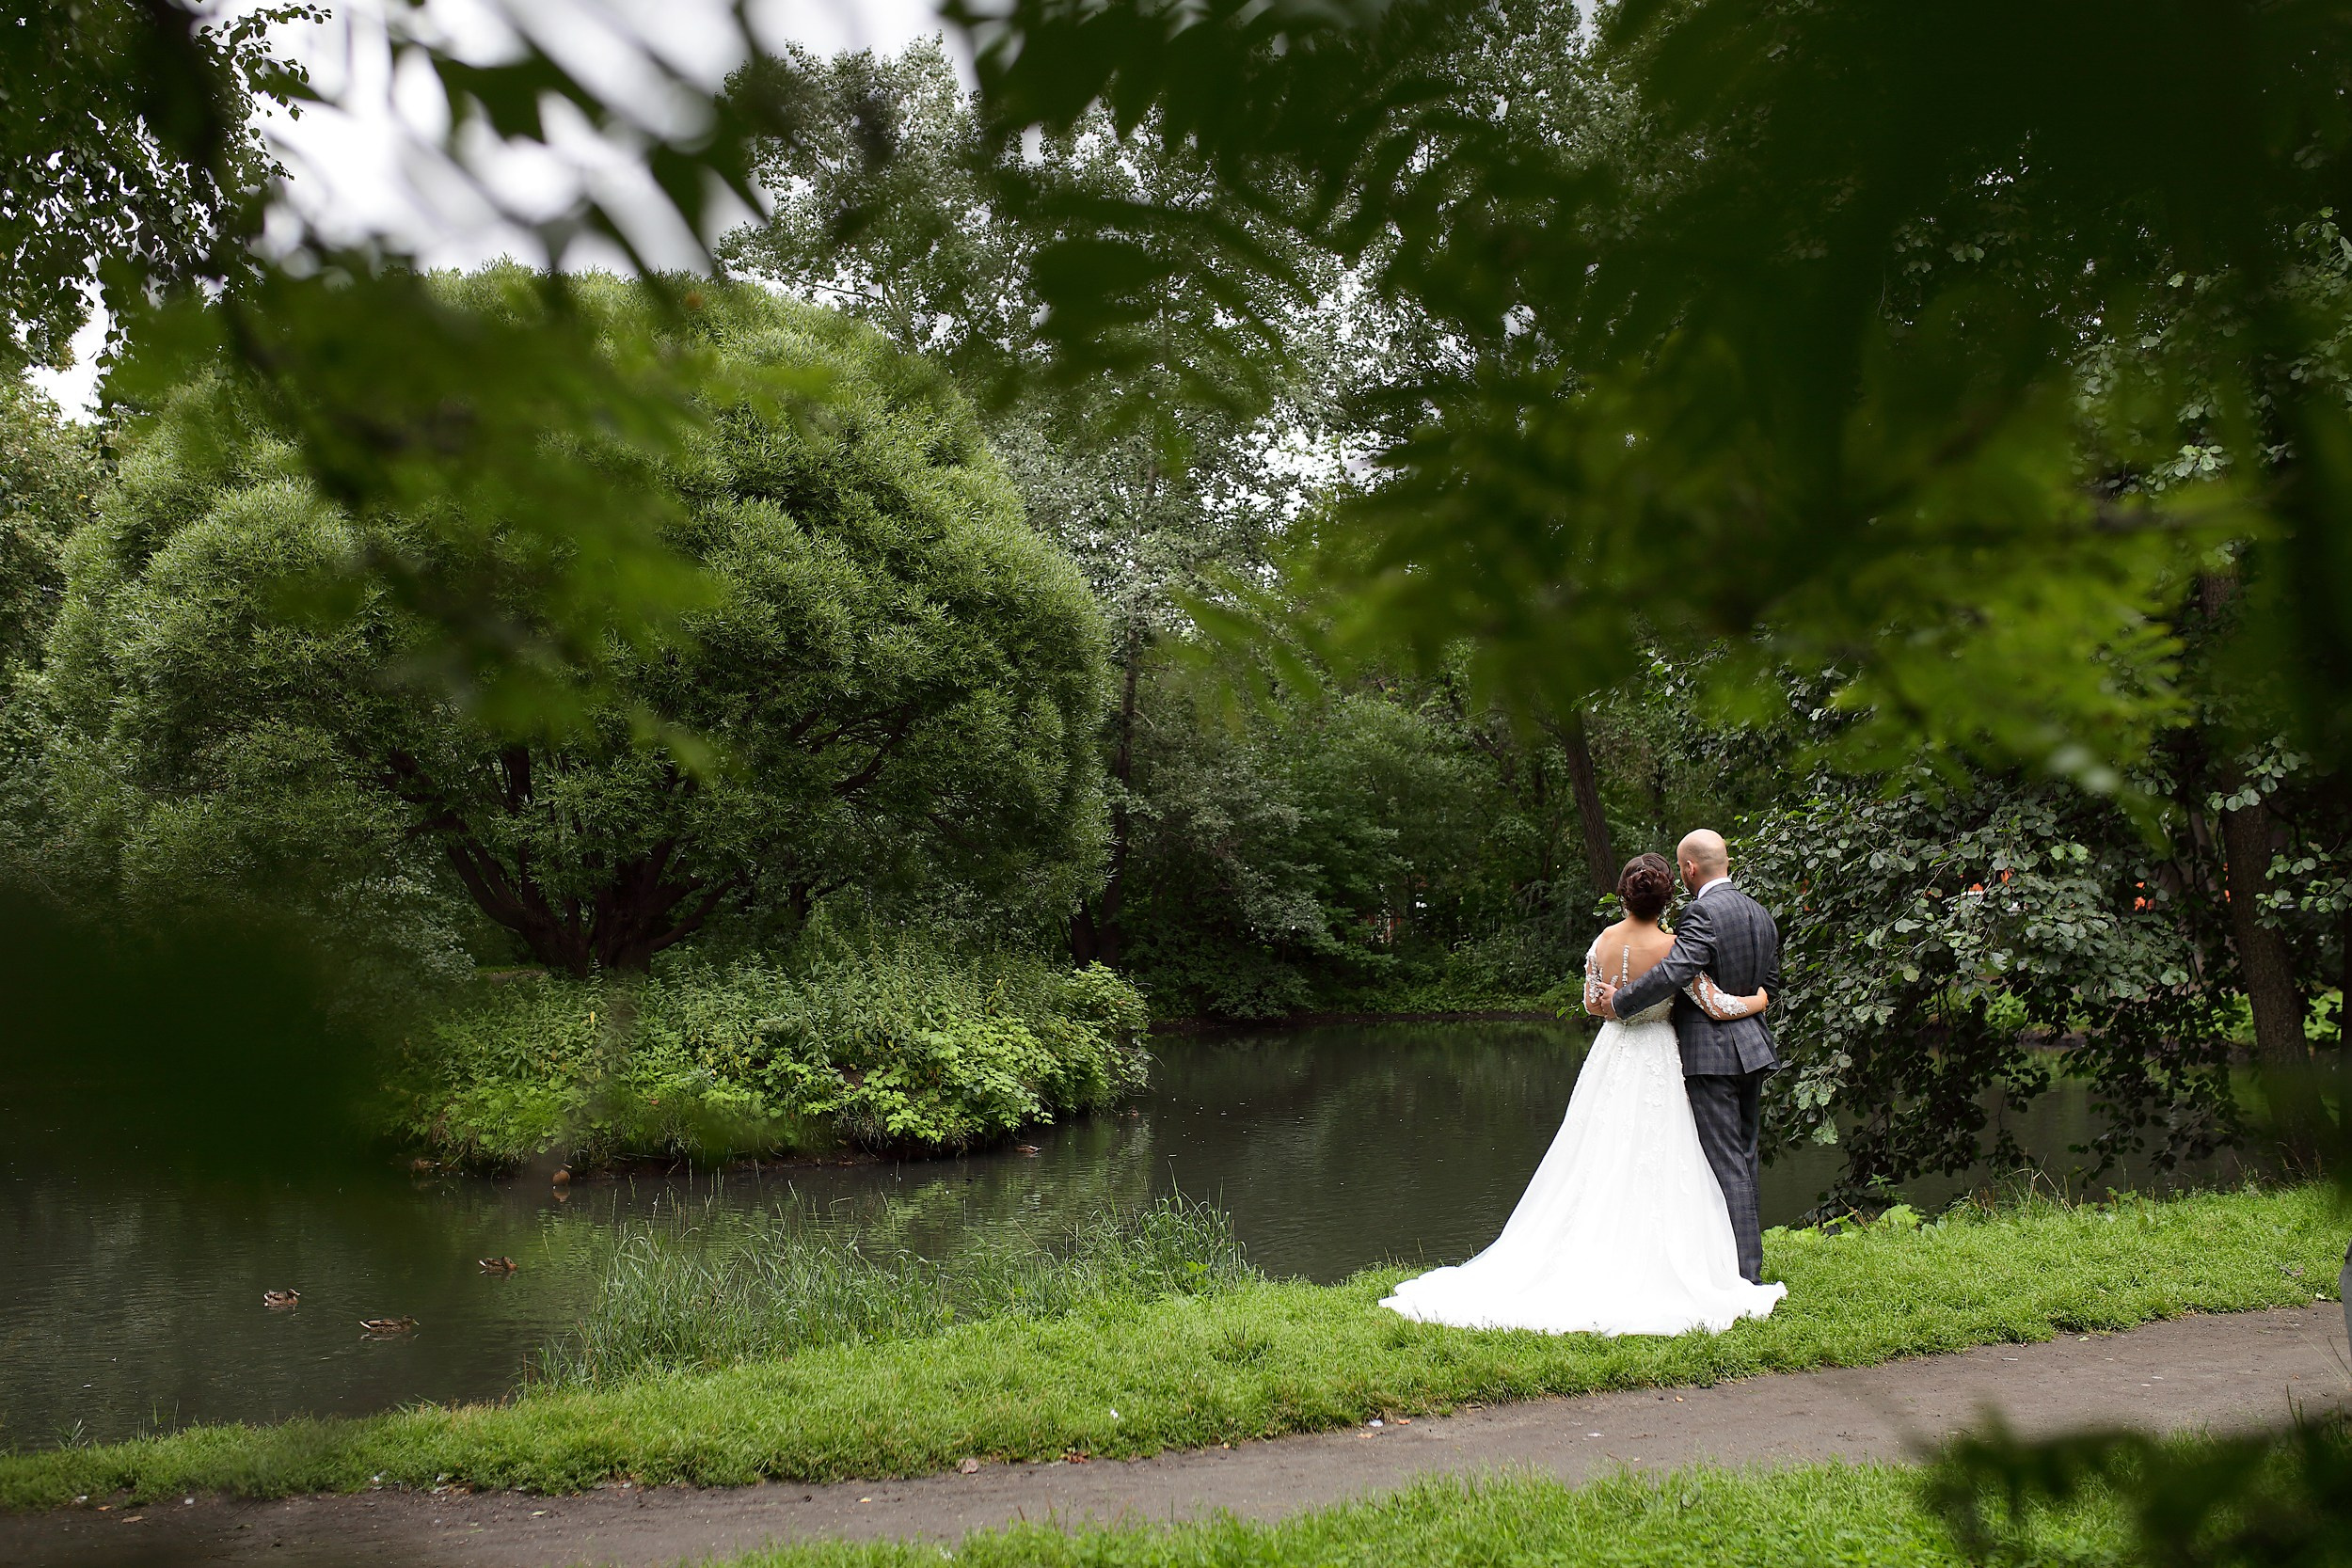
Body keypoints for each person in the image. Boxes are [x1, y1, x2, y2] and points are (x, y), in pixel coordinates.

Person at [1379, 847, 1788, 1335]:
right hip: (1665, 1055)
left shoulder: (1602, 943)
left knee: (1599, 1151)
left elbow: (1594, 1005)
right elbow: (1712, 1002)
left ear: (1624, 896)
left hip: (1614, 1054)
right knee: (1670, 1155)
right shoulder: (1677, 944)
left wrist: (1619, 1003)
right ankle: (1719, 1263)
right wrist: (1759, 999)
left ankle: (1601, 1243)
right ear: (1667, 898)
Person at [1597, 829, 1782, 1284]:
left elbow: (1677, 970)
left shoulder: (1702, 912)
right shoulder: (1760, 913)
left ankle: (1743, 1274)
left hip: (1711, 1054)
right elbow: (1770, 985)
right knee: (1745, 1155)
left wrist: (1621, 1001)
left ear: (1690, 869)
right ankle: (1743, 1259)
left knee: (1724, 1161)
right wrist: (1757, 1002)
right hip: (1753, 1049)